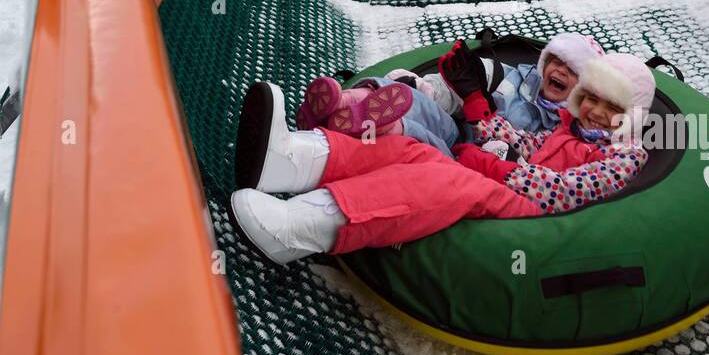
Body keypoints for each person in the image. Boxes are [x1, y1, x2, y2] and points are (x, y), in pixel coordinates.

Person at [228, 52, 655, 265]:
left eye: (611, 106)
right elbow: (524, 143)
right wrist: (480, 113)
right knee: (412, 151)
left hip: (541, 216)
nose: (597, 112)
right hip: (513, 186)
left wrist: (496, 168)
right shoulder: (568, 127)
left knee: (451, 182)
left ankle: (303, 227)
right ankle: (296, 158)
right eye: (592, 99)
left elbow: (562, 193)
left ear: (630, 114)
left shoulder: (623, 155)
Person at [298, 31, 604, 155]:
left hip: (470, 159)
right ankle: (341, 103)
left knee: (418, 137)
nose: (560, 71)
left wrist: (480, 109)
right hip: (458, 130)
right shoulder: (511, 79)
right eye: (556, 61)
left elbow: (531, 155)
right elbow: (461, 84)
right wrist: (425, 88)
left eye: (572, 70)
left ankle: (346, 128)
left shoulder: (565, 127)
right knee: (414, 102)